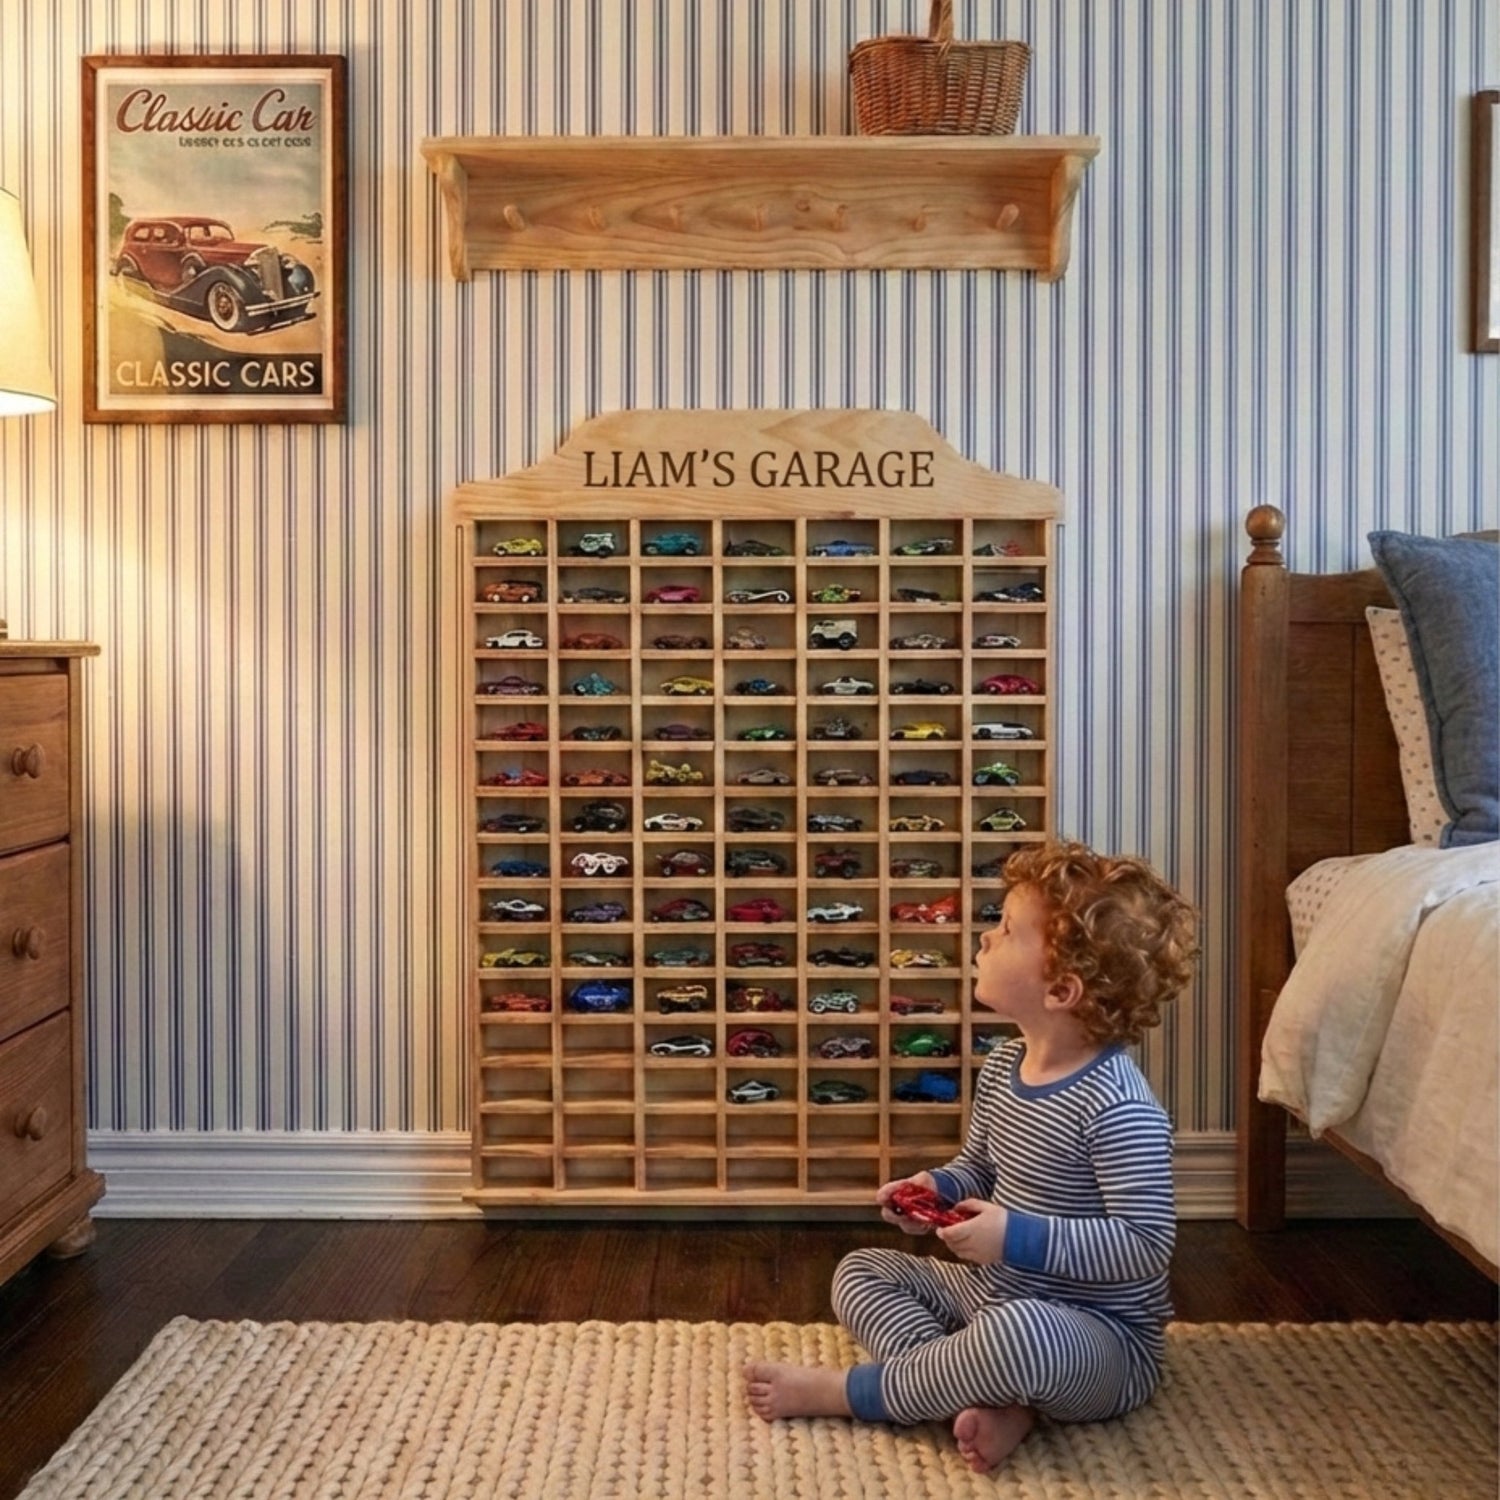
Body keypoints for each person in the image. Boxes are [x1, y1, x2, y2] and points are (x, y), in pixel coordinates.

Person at [745, 840, 1199, 1474]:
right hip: (991, 1291)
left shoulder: (1120, 1109)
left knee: (1022, 1338)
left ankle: (858, 1394)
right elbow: (979, 1168)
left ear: (1062, 989)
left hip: (1095, 1336)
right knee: (861, 1272)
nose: (985, 938)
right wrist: (933, 1189)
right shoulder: (1005, 1065)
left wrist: (1013, 1236)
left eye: (1007, 930)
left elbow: (1143, 1245)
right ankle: (989, 1394)